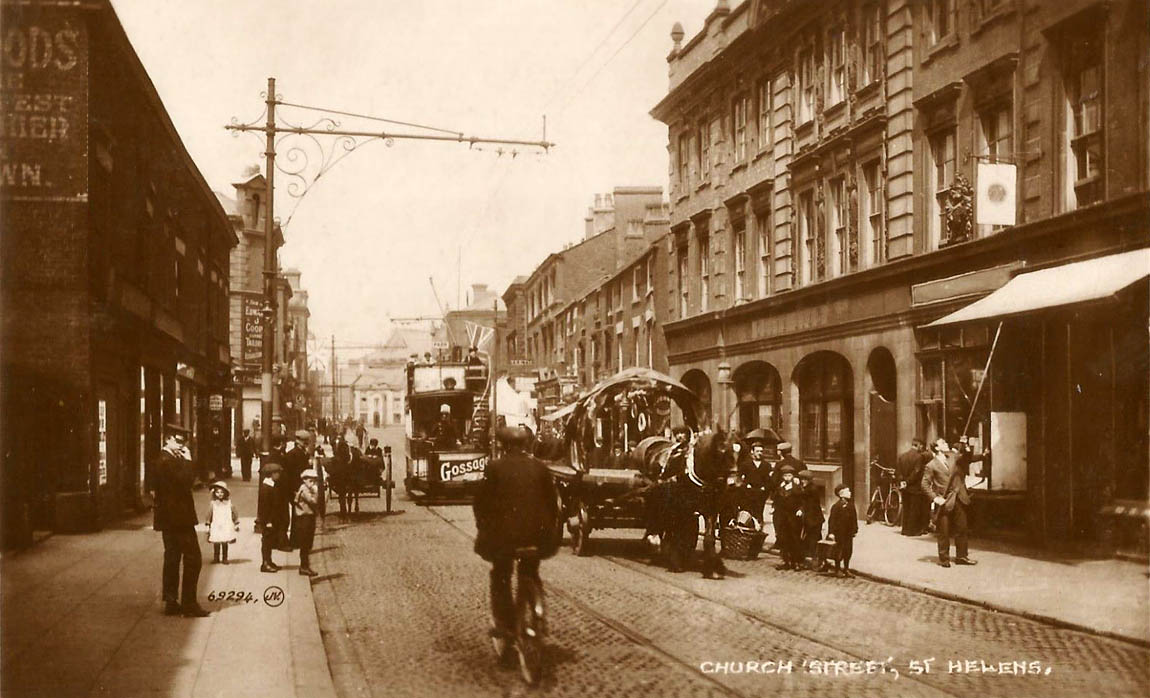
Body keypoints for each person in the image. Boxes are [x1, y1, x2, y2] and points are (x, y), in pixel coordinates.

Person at [473, 425, 560, 654]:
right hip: (538, 538)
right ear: (525, 444)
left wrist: (483, 528)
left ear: (503, 445)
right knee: (530, 571)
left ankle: (506, 625)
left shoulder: (495, 468)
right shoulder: (540, 467)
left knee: (501, 575)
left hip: (505, 539)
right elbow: (553, 504)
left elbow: (481, 504)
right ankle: (537, 610)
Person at [152, 427, 210, 617]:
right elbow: (186, 481)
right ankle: (189, 603)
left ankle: (171, 601)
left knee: (172, 557)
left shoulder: (165, 459)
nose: (182, 445)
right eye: (178, 441)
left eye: (184, 442)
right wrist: (188, 460)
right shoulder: (167, 461)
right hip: (179, 518)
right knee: (194, 558)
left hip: (169, 518)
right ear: (167, 439)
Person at [922, 438, 978, 568]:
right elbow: (924, 484)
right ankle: (944, 559)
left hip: (959, 498)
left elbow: (967, 458)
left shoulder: (953, 457)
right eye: (943, 443)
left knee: (962, 528)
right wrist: (935, 498)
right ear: (937, 448)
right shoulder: (931, 465)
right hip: (944, 501)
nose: (946, 443)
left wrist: (965, 445)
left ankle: (962, 556)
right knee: (944, 531)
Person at [736, 434, 774, 529]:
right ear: (752, 452)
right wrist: (745, 486)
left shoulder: (767, 465)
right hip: (748, 494)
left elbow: (769, 480)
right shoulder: (745, 465)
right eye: (757, 451)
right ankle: (747, 532)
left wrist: (765, 488)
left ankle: (758, 533)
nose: (760, 453)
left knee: (759, 513)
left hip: (760, 494)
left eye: (761, 451)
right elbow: (739, 478)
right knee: (747, 514)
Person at [257, 462, 287, 573]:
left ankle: (269, 561)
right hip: (268, 520)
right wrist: (268, 521)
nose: (279, 475)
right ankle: (265, 563)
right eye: (277, 473)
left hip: (273, 519)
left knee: (270, 541)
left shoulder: (272, 485)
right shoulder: (266, 488)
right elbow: (264, 507)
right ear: (271, 474)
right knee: (266, 541)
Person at [897, 437, 930, 536]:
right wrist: (908, 482)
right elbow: (916, 472)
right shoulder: (919, 457)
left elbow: (898, 471)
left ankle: (905, 529)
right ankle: (912, 530)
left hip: (904, 487)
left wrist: (902, 481)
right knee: (914, 509)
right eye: (921, 446)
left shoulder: (902, 456)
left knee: (906, 508)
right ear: (918, 445)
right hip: (914, 487)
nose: (922, 448)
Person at [772, 464, 801, 570]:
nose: (787, 478)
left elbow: (802, 501)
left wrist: (800, 509)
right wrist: (774, 507)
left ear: (793, 476)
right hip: (782, 517)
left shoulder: (797, 488)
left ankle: (796, 562)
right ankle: (786, 561)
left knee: (795, 539)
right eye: (785, 476)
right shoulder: (780, 487)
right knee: (783, 538)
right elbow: (776, 499)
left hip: (793, 518)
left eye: (789, 476)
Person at [795, 470, 825, 570]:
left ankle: (815, 561)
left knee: (813, 540)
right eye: (801, 479)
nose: (802, 481)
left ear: (809, 480)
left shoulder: (811, 490)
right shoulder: (805, 489)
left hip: (813, 520)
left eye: (805, 479)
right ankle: (812, 560)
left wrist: (802, 510)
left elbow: (809, 504)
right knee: (810, 540)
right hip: (811, 519)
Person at [827, 483, 858, 577]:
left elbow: (854, 519)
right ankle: (837, 569)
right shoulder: (836, 506)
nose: (850, 493)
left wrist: (855, 529)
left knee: (848, 551)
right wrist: (831, 533)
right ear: (841, 494)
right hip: (839, 533)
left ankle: (846, 568)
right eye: (847, 491)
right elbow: (831, 521)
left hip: (848, 533)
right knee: (838, 551)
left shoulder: (851, 505)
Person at [204, 481, 239, 564]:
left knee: (224, 542)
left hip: (226, 525)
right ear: (214, 493)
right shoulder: (213, 504)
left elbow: (234, 513)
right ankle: (216, 557)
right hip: (216, 525)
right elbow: (209, 514)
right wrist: (207, 524)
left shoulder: (229, 503)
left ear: (225, 493)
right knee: (216, 542)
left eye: (222, 492)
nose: (219, 494)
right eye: (217, 492)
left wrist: (236, 523)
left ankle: (225, 558)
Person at [293, 469, 321, 576]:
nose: (313, 482)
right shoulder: (304, 489)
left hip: (308, 517)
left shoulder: (306, 489)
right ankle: (304, 567)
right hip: (304, 518)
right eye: (311, 480)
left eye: (314, 480)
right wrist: (316, 491)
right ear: (305, 480)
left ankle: (305, 566)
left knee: (308, 543)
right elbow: (313, 501)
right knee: (305, 543)